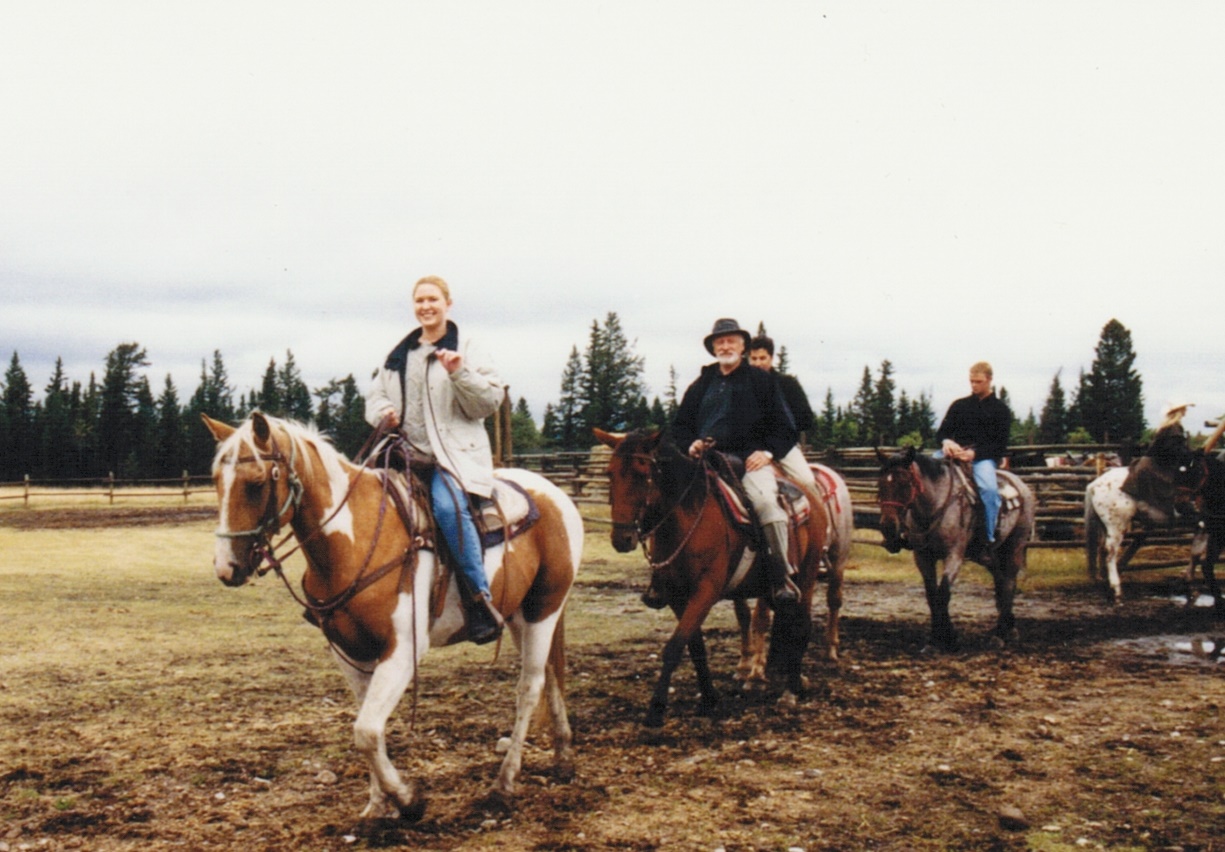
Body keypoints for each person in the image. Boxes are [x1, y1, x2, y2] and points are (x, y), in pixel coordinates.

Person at [364, 275, 506, 644]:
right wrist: (384, 412)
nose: (425, 307)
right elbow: (374, 398)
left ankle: (479, 600)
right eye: (419, 301)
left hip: (450, 460)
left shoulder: (470, 347)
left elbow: (488, 403)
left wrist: (460, 372)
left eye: (432, 300)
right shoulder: (398, 355)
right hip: (402, 457)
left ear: (448, 304)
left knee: (447, 509)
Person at [671, 318, 801, 603]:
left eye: (731, 340)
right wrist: (689, 443)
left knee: (767, 502)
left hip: (748, 462)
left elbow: (786, 426)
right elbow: (679, 426)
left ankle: (782, 577)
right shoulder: (701, 384)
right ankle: (664, 576)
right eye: (720, 342)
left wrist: (767, 453)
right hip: (705, 462)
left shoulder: (762, 381)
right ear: (713, 348)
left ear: (743, 346)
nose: (725, 346)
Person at [934, 361, 1012, 544]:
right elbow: (942, 432)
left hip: (982, 459)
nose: (974, 385)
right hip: (954, 454)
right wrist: (947, 442)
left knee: (989, 489)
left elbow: (1000, 445)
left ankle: (989, 535)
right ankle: (913, 528)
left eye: (978, 381)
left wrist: (974, 454)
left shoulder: (1000, 410)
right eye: (971, 381)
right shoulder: (959, 406)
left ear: (989, 380)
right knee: (923, 472)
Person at [748, 334, 818, 496]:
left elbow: (805, 419)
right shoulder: (743, 386)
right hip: (752, 448)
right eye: (754, 359)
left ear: (771, 358)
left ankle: (822, 519)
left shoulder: (787, 384)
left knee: (806, 481)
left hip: (783, 446)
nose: (758, 363)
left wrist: (781, 434)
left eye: (762, 358)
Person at [1121, 401, 1194, 522]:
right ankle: (1173, 510)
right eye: (1184, 409)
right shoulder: (1174, 428)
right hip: (1157, 466)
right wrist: (1189, 454)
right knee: (1174, 481)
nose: (1185, 411)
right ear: (1178, 411)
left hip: (1152, 462)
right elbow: (1172, 450)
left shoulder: (1167, 427)